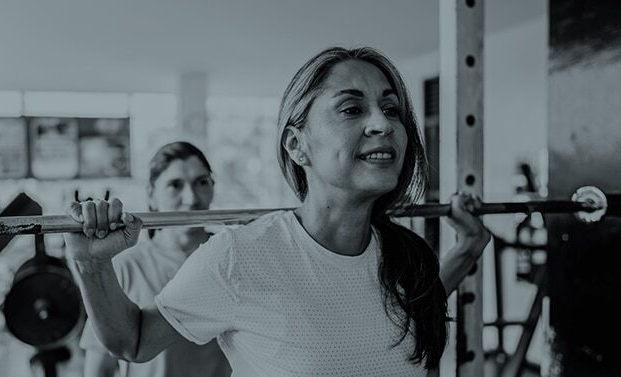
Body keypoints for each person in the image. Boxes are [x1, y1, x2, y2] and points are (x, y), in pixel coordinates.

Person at [64, 47, 492, 376]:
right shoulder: (239, 256)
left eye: (392, 109)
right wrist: (90, 265)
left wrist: (469, 246)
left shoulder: (411, 258)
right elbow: (134, 341)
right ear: (296, 144)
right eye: (352, 108)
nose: (383, 124)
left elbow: (398, 312)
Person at [80, 141, 232, 377]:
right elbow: (98, 369)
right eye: (175, 185)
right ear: (152, 194)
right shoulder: (122, 266)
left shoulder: (232, 259)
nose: (191, 198)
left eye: (202, 182)